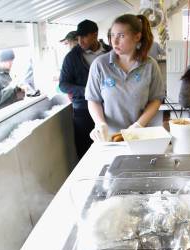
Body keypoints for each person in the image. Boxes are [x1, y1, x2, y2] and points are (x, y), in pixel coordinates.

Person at [86, 14, 165, 141]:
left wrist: (138, 125)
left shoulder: (150, 65)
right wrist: (100, 123)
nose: (114, 41)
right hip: (110, 137)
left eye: (121, 36)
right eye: (112, 35)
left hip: (141, 135)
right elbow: (93, 100)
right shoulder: (100, 65)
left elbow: (155, 99)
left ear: (137, 37)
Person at [59, 20, 110, 159]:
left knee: (111, 144)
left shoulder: (110, 52)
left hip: (109, 107)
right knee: (85, 149)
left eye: (84, 36)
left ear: (95, 35)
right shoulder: (71, 57)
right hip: (83, 109)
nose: (80, 41)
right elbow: (63, 85)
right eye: (78, 37)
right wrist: (87, 91)